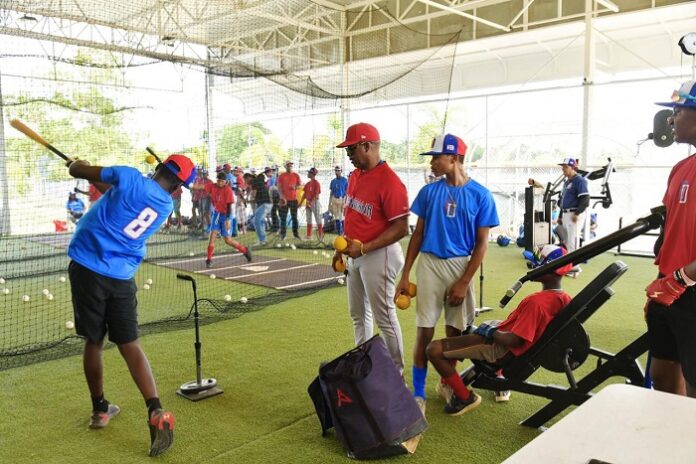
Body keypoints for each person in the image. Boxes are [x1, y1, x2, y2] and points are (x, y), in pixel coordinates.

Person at [66, 154, 196, 456]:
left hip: (88, 268)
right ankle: (155, 409)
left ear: (160, 167)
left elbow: (77, 170)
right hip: (122, 276)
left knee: (94, 342)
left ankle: (100, 410)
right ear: (177, 187)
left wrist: (78, 164)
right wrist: (90, 174)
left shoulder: (128, 177)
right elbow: (118, 192)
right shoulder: (163, 205)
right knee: (130, 344)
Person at [395, 134, 499, 412]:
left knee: (453, 338)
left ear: (453, 159)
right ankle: (418, 394)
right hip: (429, 264)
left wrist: (464, 282)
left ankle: (446, 382)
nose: (432, 163)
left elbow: (482, 244)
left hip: (460, 267)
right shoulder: (429, 192)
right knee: (424, 332)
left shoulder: (481, 195)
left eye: (436, 157)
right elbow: (417, 234)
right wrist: (405, 275)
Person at [426, 244, 573, 415]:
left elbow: (515, 340)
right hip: (510, 348)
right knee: (474, 329)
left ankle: (465, 397)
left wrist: (491, 331)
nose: (531, 266)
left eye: (536, 263)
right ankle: (463, 381)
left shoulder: (537, 303)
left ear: (550, 269)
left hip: (499, 350)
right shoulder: (564, 298)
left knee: (433, 349)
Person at [333, 122, 410, 372]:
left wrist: (364, 248)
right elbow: (353, 215)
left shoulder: (391, 182)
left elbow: (401, 228)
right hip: (355, 253)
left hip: (380, 254)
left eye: (351, 150)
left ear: (367, 145)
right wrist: (342, 248)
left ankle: (396, 373)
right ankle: (364, 366)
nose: (349, 156)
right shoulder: (355, 176)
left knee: (384, 317)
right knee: (358, 314)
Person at [645, 80, 696, 398]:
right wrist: (663, 278)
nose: (672, 119)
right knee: (662, 377)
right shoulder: (681, 167)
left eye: (678, 110)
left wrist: (681, 279)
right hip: (669, 287)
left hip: (688, 287)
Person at [191, 171, 251, 268]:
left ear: (225, 182)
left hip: (226, 215)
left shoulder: (227, 190)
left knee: (227, 240)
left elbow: (229, 206)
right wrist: (189, 184)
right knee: (212, 236)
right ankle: (209, 259)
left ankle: (245, 250)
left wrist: (227, 220)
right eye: (218, 180)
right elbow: (200, 187)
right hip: (216, 214)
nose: (220, 183)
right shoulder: (213, 186)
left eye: (222, 181)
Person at [557, 158, 589, 269]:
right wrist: (560, 215)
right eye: (562, 167)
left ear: (573, 167)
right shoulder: (567, 182)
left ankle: (574, 266)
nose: (563, 169)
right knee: (566, 240)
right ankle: (567, 265)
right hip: (566, 213)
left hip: (574, 213)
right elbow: (563, 200)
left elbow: (585, 199)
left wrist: (577, 213)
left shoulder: (580, 180)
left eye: (565, 167)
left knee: (572, 240)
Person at [245, 171, 272, 246]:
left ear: (248, 178)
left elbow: (253, 195)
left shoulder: (254, 182)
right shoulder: (258, 181)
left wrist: (247, 200)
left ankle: (262, 240)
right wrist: (248, 201)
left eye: (245, 180)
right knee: (261, 221)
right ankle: (263, 240)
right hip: (266, 204)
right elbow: (255, 198)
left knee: (256, 221)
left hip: (264, 204)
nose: (246, 182)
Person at [277, 161, 302, 240]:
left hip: (294, 200)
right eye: (288, 165)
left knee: (294, 217)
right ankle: (283, 235)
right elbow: (279, 188)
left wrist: (295, 187)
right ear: (285, 166)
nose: (290, 166)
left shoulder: (296, 175)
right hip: (284, 200)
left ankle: (296, 234)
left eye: (291, 165)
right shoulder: (281, 176)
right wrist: (282, 197)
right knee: (283, 218)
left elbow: (299, 185)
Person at [300, 167, 323, 241]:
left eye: (309, 173)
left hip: (315, 203)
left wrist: (311, 202)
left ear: (312, 174)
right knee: (308, 220)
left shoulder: (317, 183)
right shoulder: (307, 184)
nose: (308, 174)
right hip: (308, 203)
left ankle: (320, 236)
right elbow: (304, 195)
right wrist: (300, 203)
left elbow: (316, 195)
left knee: (318, 220)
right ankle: (309, 236)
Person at [329, 165, 348, 236]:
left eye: (338, 170)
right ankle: (339, 233)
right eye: (336, 170)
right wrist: (329, 203)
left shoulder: (345, 180)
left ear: (341, 171)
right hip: (334, 199)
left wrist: (345, 202)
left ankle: (344, 233)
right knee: (336, 217)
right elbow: (331, 193)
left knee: (342, 217)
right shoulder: (333, 181)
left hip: (342, 199)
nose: (337, 172)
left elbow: (347, 192)